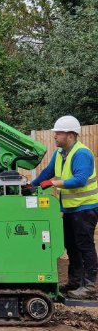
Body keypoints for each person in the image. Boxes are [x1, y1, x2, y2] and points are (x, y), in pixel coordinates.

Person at [32, 115, 98, 299]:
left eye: (58, 133)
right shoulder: (60, 154)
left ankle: (90, 286)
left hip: (85, 208)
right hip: (70, 209)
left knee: (85, 246)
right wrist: (32, 185)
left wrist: (53, 183)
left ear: (70, 135)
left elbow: (80, 179)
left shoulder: (81, 153)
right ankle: (75, 282)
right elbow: (47, 172)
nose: (54, 136)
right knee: (71, 246)